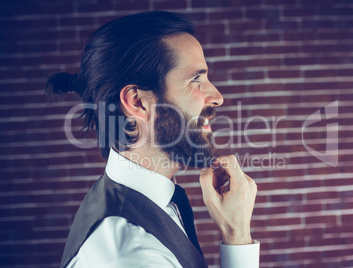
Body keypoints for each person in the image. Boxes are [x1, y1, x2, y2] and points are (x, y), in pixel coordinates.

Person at [46, 10, 259, 268]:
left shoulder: (129, 198)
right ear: (137, 102)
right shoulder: (136, 254)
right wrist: (237, 235)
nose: (217, 97)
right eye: (195, 80)